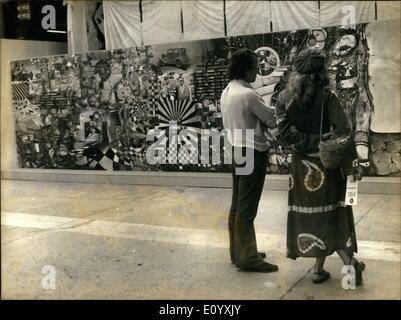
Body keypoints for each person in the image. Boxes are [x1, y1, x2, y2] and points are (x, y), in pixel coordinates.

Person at [276, 48, 365, 284]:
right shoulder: (329, 98)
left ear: (296, 71)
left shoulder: (284, 99)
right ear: (322, 71)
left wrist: (305, 142)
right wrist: (352, 165)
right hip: (328, 167)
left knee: (314, 217)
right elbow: (344, 134)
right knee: (334, 216)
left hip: (301, 169)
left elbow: (283, 134)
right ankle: (351, 266)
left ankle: (318, 268)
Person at [220, 48, 279, 273]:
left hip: (237, 148)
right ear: (246, 68)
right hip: (252, 150)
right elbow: (271, 119)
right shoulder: (248, 94)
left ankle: (238, 252)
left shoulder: (228, 91)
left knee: (237, 204)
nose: (258, 70)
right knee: (247, 207)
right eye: (255, 66)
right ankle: (248, 258)